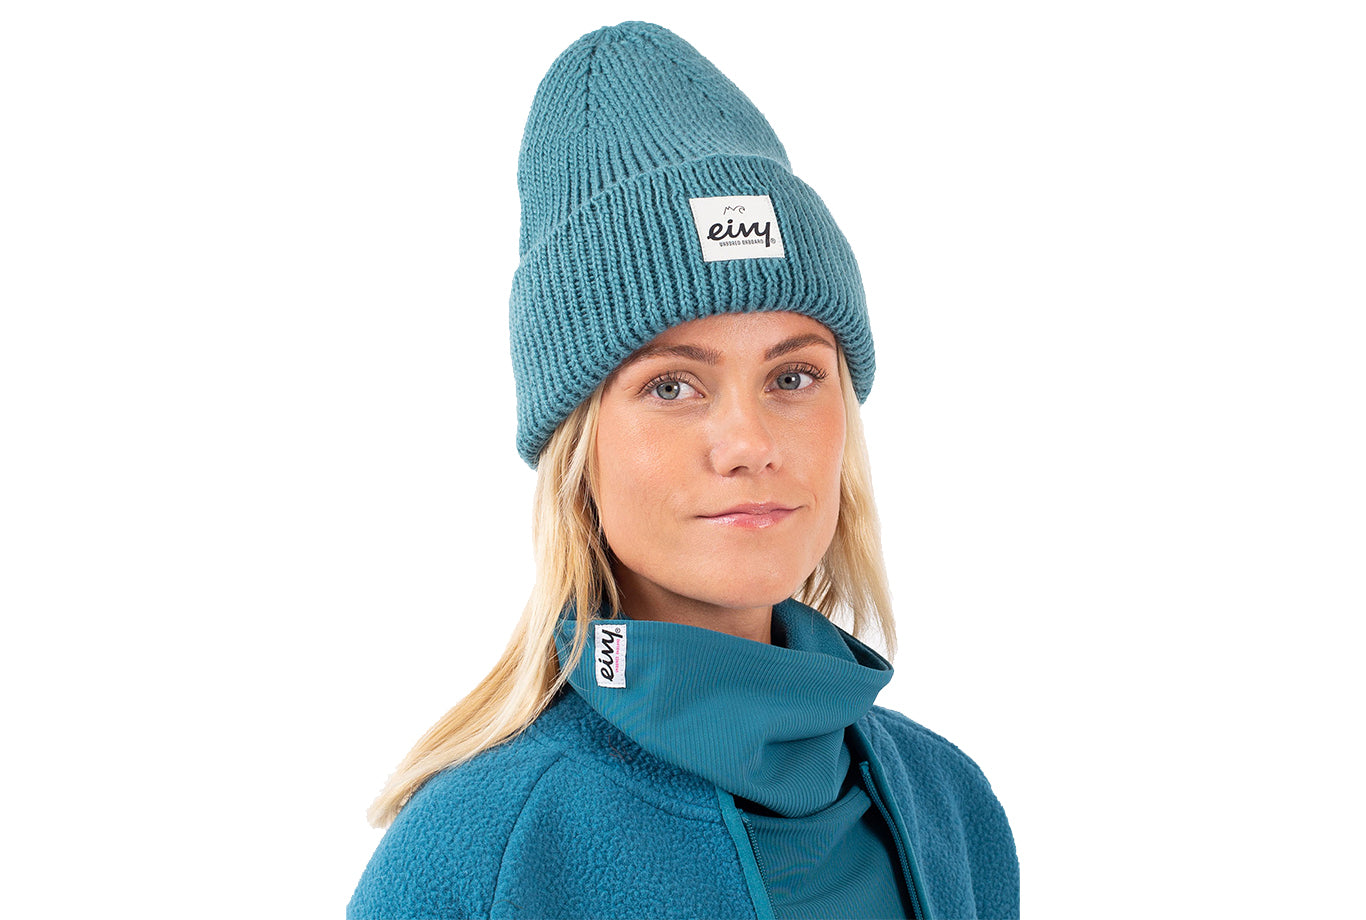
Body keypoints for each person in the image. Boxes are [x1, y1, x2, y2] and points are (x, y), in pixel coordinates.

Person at [348, 21, 1018, 920]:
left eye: (793, 376)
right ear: (578, 451)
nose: (748, 442)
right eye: (672, 386)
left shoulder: (953, 807)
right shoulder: (479, 853)